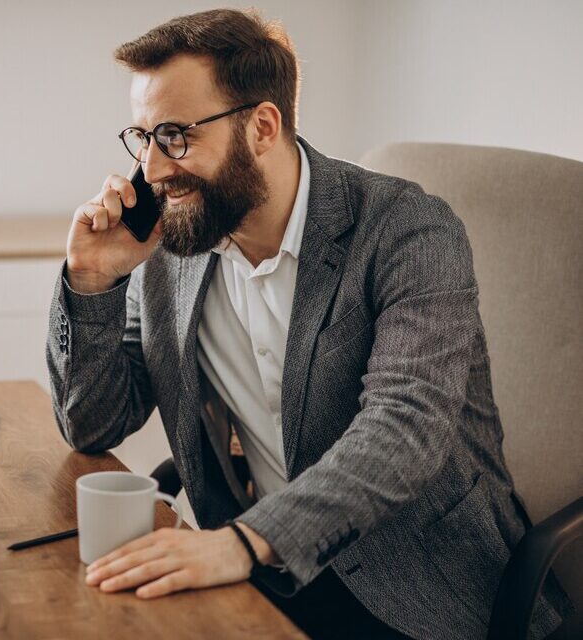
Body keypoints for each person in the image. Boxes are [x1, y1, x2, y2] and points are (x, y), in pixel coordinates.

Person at [45, 8, 571, 640]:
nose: (153, 171)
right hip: (260, 582)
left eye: (175, 136)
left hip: (418, 590)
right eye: (142, 139)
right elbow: (92, 422)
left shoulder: (409, 231)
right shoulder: (174, 243)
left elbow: (404, 431)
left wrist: (243, 543)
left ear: (262, 126)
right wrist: (94, 280)